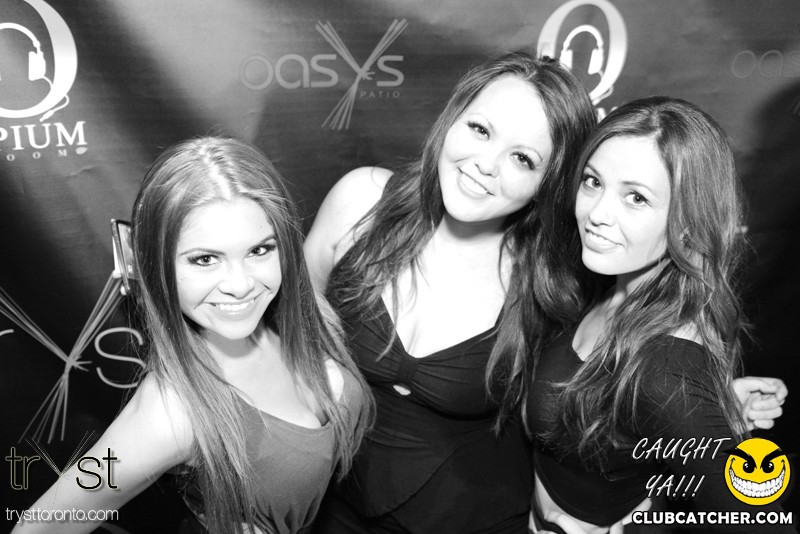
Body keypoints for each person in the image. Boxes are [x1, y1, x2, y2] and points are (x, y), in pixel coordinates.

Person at [304, 51, 785, 534]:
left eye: (522, 158)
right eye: (480, 129)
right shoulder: (362, 203)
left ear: (546, 181)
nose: (485, 164)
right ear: (452, 118)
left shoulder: (550, 276)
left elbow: (638, 383)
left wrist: (651, 499)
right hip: (337, 503)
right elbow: (292, 337)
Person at [12, 137, 373, 534]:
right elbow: (45, 524)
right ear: (156, 266)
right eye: (205, 259)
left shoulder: (301, 317)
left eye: (259, 250)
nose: (241, 285)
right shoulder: (170, 411)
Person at [527, 97, 792, 534]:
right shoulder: (611, 280)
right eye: (593, 181)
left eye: (636, 197)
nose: (596, 214)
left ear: (687, 223)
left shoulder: (666, 372)